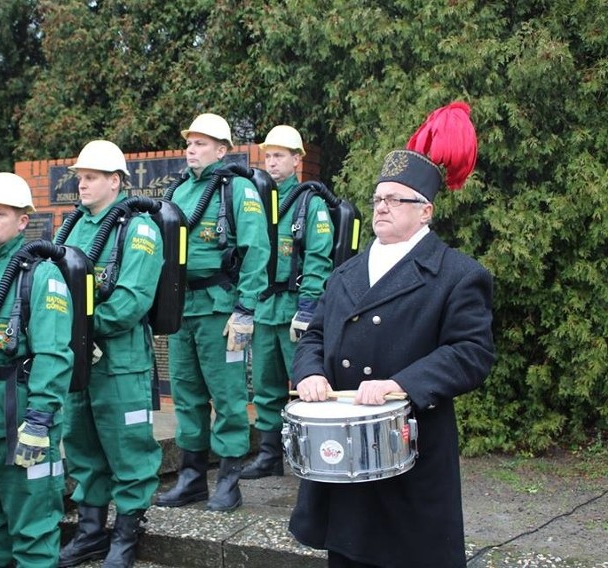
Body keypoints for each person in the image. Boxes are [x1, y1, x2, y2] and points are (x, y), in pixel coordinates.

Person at [288, 102, 495, 568]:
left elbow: (472, 353)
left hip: (411, 448)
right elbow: (314, 336)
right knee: (347, 555)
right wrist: (309, 373)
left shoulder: (459, 275)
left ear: (425, 212)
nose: (381, 206)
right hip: (342, 455)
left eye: (395, 199)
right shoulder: (347, 273)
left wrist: (399, 384)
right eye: (378, 197)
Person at [56, 140, 164, 568]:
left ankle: (127, 532)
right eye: (80, 176)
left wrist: (76, 328)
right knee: (81, 442)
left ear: (115, 181)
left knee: (127, 446)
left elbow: (131, 301)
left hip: (120, 361)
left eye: (91, 177)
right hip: (78, 358)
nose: (81, 184)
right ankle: (90, 531)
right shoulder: (73, 227)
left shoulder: (138, 229)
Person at [0, 172, 74, 567]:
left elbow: (55, 353)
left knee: (32, 528)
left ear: (23, 221)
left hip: (20, 419)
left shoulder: (41, 273)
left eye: (0, 214)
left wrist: (40, 420)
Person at [156, 112, 270, 512]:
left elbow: (257, 250)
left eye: (201, 143)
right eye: (189, 142)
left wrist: (246, 308)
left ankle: (228, 479)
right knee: (186, 395)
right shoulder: (177, 191)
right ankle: (190, 478)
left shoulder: (237, 189)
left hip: (221, 310)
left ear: (222, 150)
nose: (191, 148)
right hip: (180, 308)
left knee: (228, 395)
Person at [240, 125, 334, 479]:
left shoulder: (312, 203)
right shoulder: (255, 201)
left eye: (280, 155)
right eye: (269, 155)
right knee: (264, 387)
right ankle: (268, 455)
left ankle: (314, 454)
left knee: (306, 385)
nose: (272, 162)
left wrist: (309, 307)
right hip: (264, 308)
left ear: (297, 160)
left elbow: (319, 258)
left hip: (296, 309)